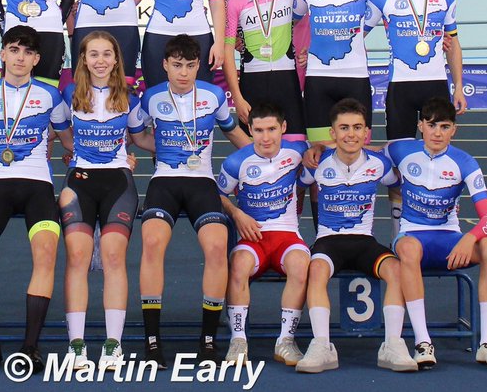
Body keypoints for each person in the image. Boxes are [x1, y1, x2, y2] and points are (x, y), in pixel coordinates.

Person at [0, 26, 73, 370]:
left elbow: (69, 141)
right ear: (3, 54)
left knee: (46, 252)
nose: (20, 57)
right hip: (0, 185)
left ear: (37, 59)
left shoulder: (51, 95)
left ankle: (30, 346)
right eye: (14, 50)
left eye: (27, 52)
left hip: (39, 185)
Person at [139, 34, 251, 367]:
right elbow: (136, 134)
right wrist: (162, 149)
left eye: (190, 66)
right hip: (164, 182)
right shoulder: (151, 98)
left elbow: (233, 132)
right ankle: (153, 341)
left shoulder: (214, 96)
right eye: (176, 66)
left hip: (202, 182)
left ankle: (208, 340)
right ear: (165, 65)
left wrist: (261, 156)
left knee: (217, 248)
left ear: (198, 65)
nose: (183, 73)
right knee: (152, 243)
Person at [296, 98, 418, 373]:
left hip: (365, 242)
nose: (350, 134)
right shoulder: (317, 163)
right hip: (328, 242)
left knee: (396, 270)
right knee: (314, 270)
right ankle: (321, 345)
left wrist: (400, 233)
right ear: (333, 133)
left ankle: (393, 344)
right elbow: (295, 190)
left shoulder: (379, 164)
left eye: (357, 127)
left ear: (366, 133)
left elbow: (400, 188)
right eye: (344, 128)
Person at [387, 96, 487, 370]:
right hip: (412, 238)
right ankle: (423, 342)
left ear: (454, 129)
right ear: (420, 126)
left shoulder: (465, 162)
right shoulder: (400, 150)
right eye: (432, 126)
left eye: (444, 127)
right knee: (407, 249)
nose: (437, 133)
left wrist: (470, 238)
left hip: (450, 241)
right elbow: (360, 152)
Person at [60, 31, 155, 371]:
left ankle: (113, 345)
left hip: (118, 183)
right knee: (77, 258)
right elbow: (61, 132)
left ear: (117, 60)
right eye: (93, 54)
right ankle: (76, 345)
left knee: (114, 257)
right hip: (80, 182)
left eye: (107, 54)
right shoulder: (69, 93)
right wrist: (73, 154)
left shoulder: (129, 96)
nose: (100, 60)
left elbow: (140, 136)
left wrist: (176, 149)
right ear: (82, 59)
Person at [367, 0, 465, 232]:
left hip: (435, 85)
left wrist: (458, 86)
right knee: (398, 161)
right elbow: (355, 32)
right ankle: (401, 231)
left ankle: (443, 223)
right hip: (400, 88)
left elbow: (454, 42)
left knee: (438, 152)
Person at [217, 103, 310, 367]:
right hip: (253, 238)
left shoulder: (298, 151)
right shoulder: (236, 162)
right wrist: (237, 214)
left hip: (287, 236)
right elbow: (219, 194)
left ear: (284, 128)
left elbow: (322, 153)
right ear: (250, 129)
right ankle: (238, 340)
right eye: (258, 130)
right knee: (238, 265)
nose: (266, 137)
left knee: (301, 265)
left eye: (271, 129)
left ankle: (286, 341)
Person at [293, 0, 377, 143]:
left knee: (358, 147)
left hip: (356, 76)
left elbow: (381, 15)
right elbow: (292, 21)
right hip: (318, 78)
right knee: (320, 149)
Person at [222, 0, 305, 140]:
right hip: (252, 82)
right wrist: (237, 99)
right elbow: (227, 51)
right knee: (255, 151)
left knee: (295, 147)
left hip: (287, 80)